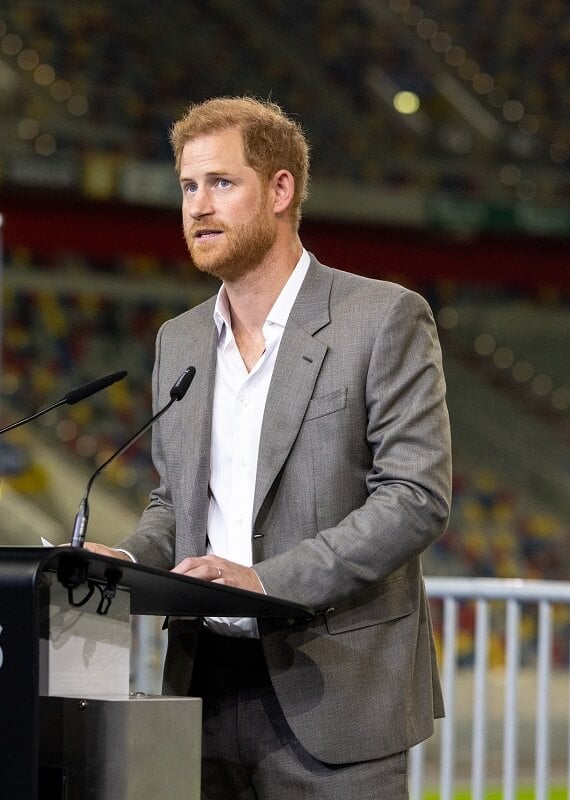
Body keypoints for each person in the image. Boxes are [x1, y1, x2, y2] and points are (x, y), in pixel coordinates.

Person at [83, 96, 452, 798]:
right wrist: (128, 561)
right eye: (188, 187)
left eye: (222, 183)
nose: (198, 206)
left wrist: (267, 582)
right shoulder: (180, 339)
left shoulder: (382, 318)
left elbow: (415, 498)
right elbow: (176, 504)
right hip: (202, 692)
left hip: (337, 695)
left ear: (281, 190)